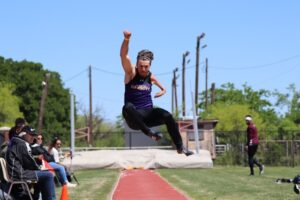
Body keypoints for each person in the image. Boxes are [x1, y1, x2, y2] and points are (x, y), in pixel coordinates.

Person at [120, 30, 193, 156]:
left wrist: (163, 90)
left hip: (148, 115)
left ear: (150, 65)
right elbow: (123, 55)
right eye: (141, 66)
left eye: (146, 67)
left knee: (168, 116)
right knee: (127, 106)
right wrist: (127, 39)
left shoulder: (151, 77)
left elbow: (162, 87)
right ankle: (149, 133)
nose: (143, 69)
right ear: (137, 64)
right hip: (133, 118)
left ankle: (180, 147)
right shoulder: (131, 73)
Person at [6, 125, 56, 200]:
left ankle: (36, 197)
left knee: (43, 174)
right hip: (19, 175)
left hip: (16, 173)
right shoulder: (21, 144)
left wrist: (40, 169)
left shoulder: (15, 142)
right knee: (48, 175)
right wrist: (40, 168)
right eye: (31, 135)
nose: (33, 137)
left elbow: (28, 162)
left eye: (34, 135)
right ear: (24, 134)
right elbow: (30, 163)